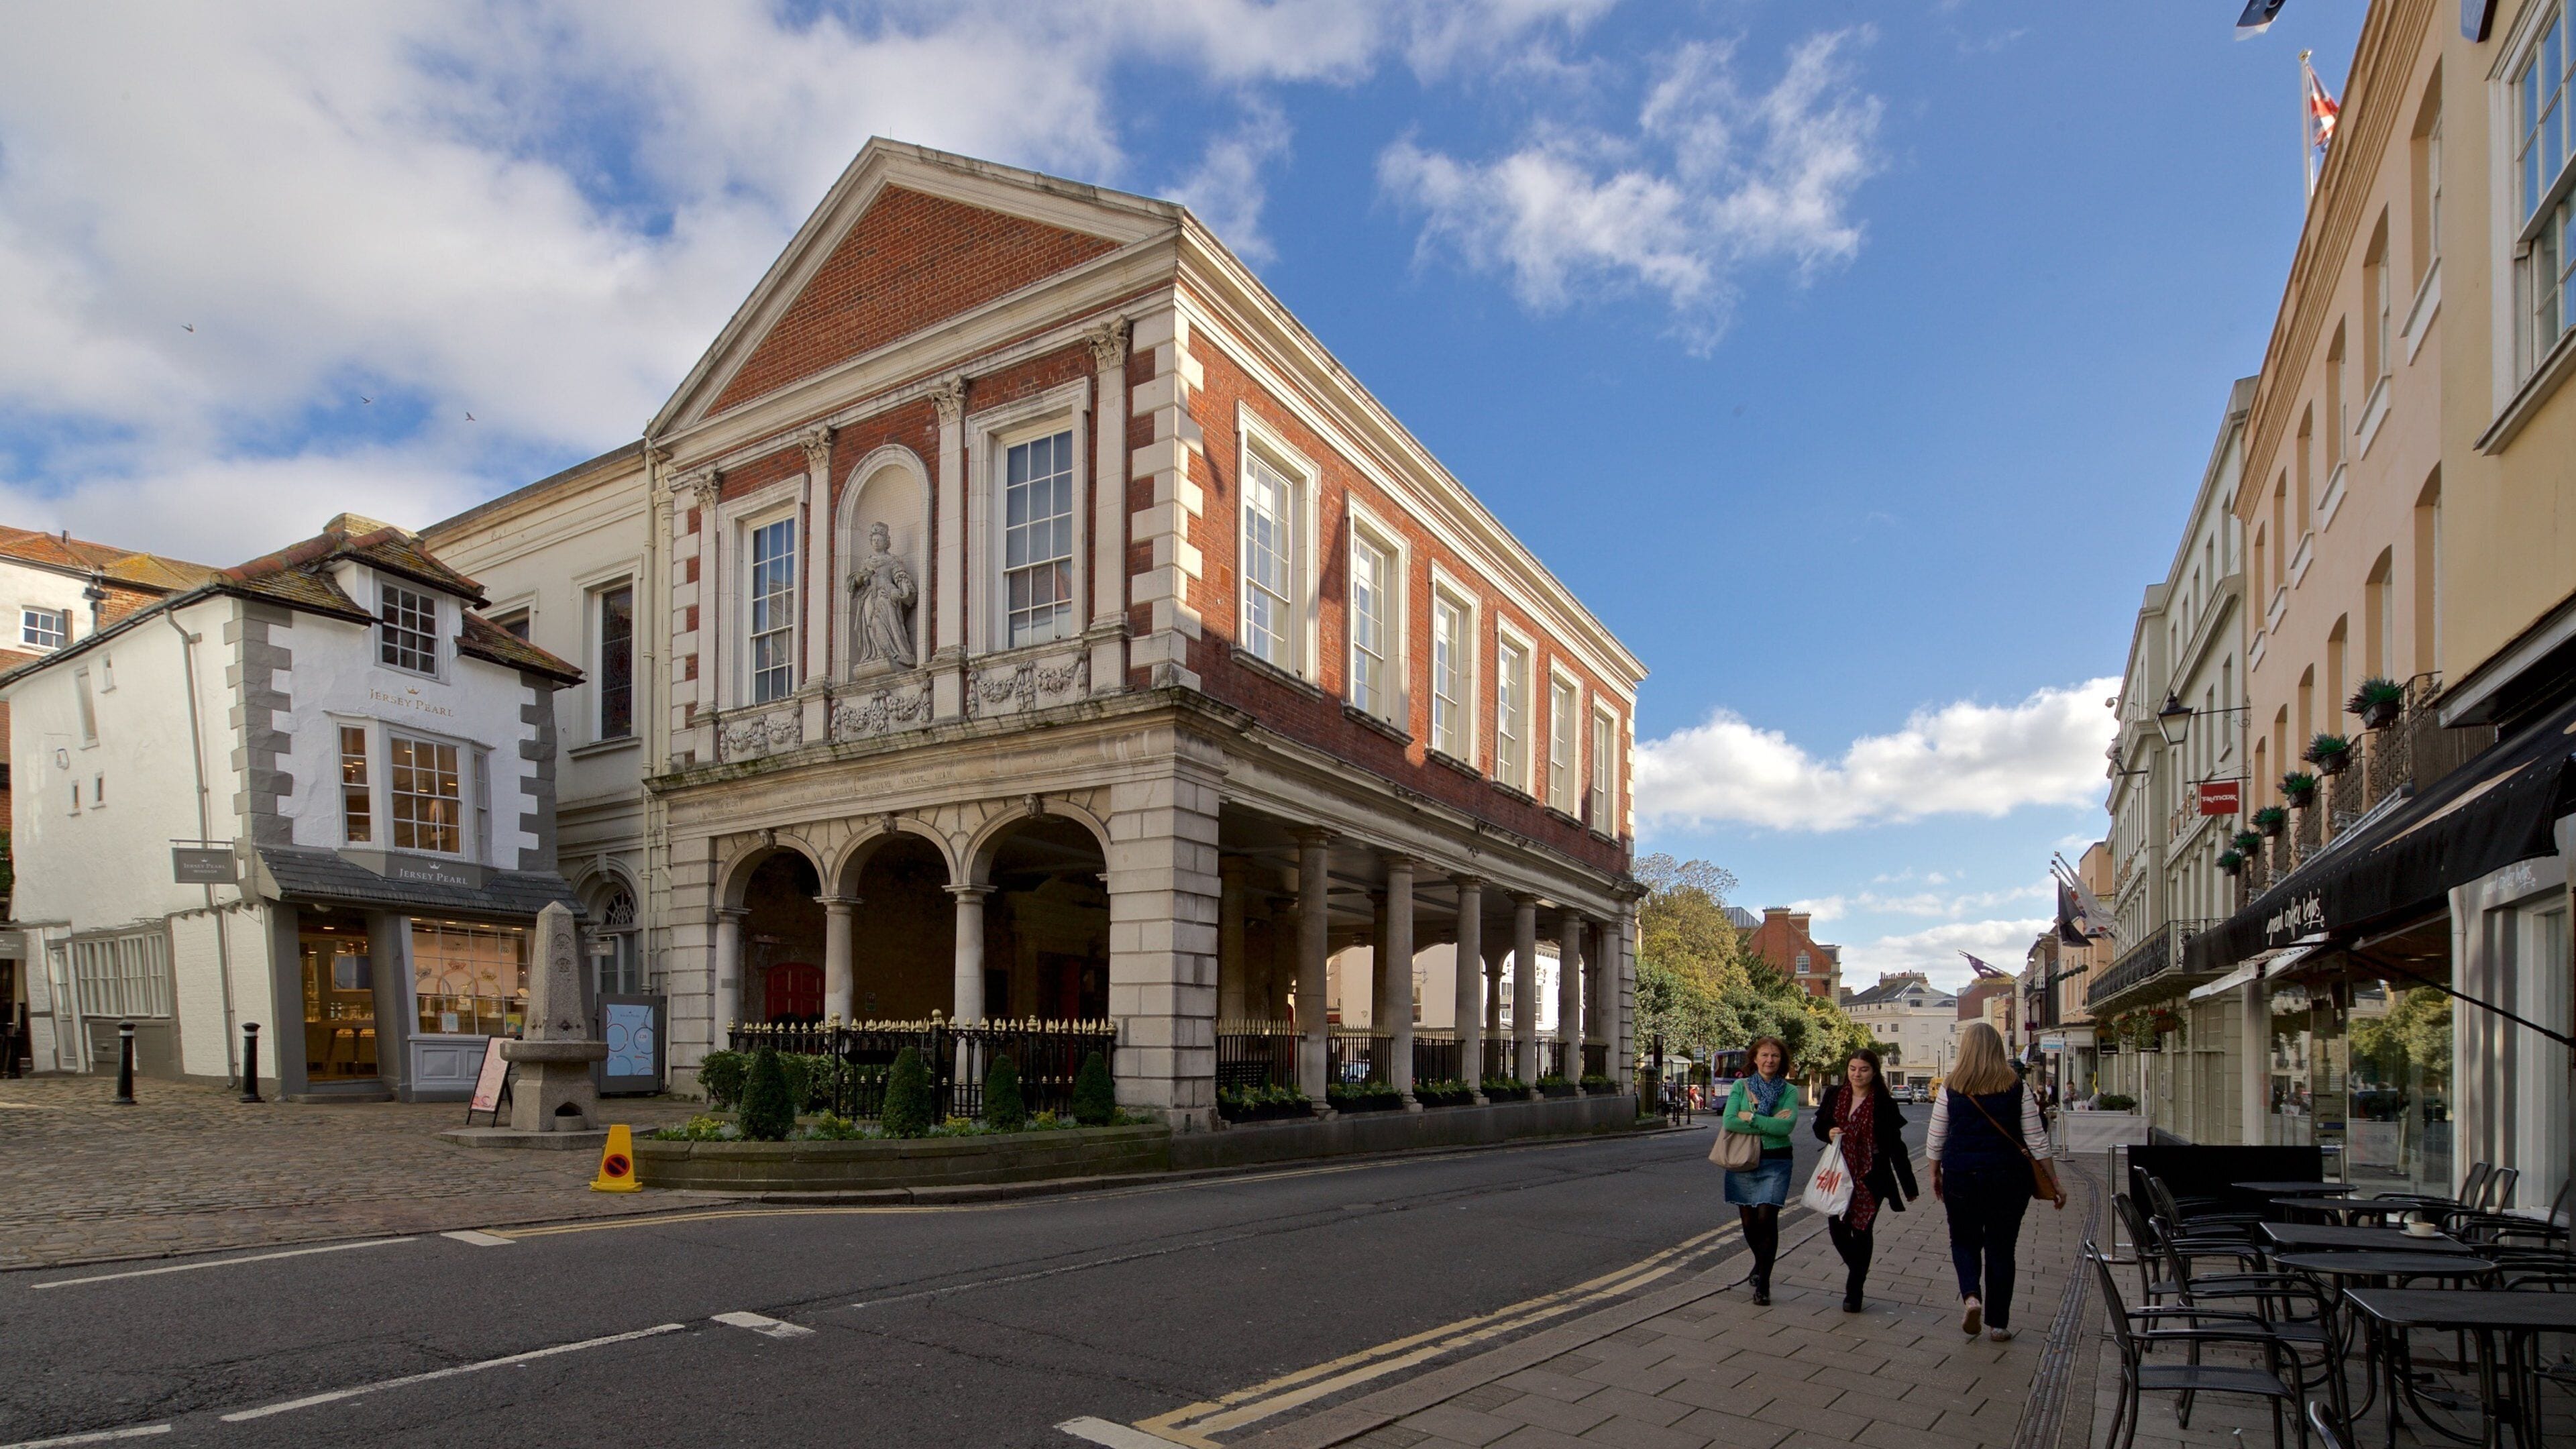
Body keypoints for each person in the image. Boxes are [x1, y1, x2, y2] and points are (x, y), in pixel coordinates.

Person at [1929, 1022, 2064, 1341]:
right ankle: (1999, 1324)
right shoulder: (2015, 1085)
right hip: (2008, 1178)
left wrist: (1934, 1172)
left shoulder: (1952, 1085)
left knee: (1963, 1240)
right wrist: (2054, 1180)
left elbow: (1936, 1136)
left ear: (1966, 1048)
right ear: (1997, 1048)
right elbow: (2036, 1139)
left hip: (1961, 1174)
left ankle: (1972, 1297)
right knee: (2002, 1248)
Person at [1813, 1046, 1919, 1312]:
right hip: (1839, 1172)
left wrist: (1909, 1185)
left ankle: (1854, 1290)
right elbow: (1818, 1127)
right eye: (1852, 1069)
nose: (1857, 1074)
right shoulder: (1835, 1095)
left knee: (1862, 1231)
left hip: (1871, 1176)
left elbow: (1897, 1146)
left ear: (1874, 1072)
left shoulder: (1884, 1103)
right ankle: (1859, 1270)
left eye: (1863, 1069)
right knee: (1837, 1229)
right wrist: (1829, 1132)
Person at [1719, 1036, 1799, 1304]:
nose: (1770, 1060)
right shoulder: (1741, 1087)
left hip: (1777, 1160)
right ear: (1754, 1059)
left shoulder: (1789, 1091)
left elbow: (1786, 1128)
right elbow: (1730, 1121)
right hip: (1744, 1160)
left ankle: (1763, 1283)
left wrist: (1751, 1117)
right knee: (1749, 1224)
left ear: (1781, 1061)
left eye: (1775, 1056)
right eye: (1764, 1055)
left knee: (1767, 1218)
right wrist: (1769, 1121)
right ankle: (1759, 1261)